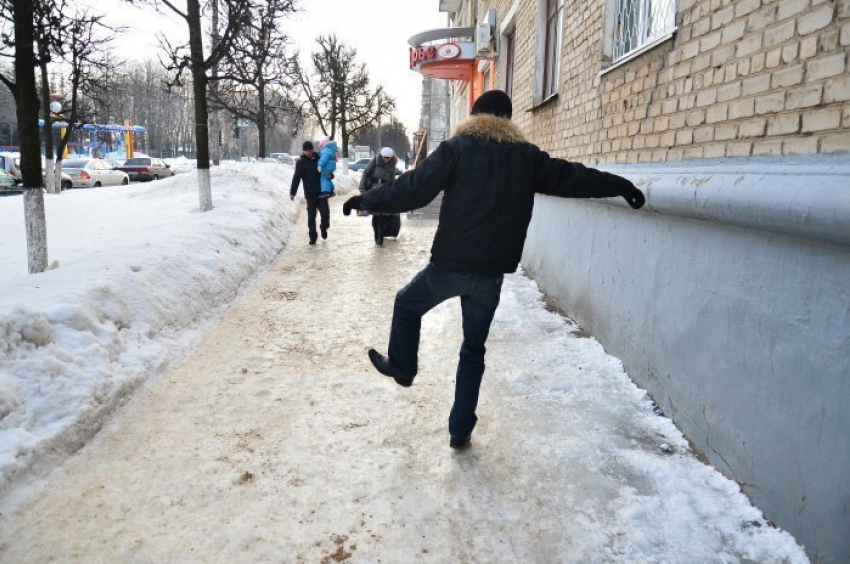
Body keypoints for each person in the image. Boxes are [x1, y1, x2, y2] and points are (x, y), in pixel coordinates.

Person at [342, 90, 645, 450]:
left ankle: (403, 369)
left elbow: (415, 188)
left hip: (449, 266)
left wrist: (367, 200)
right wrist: (620, 185)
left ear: (475, 115)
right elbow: (572, 177)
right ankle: (460, 429)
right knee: (473, 350)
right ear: (507, 119)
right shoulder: (526, 157)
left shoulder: (458, 149)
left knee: (407, 304)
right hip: (490, 276)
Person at [358, 147, 400, 246]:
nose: (386, 159)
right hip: (373, 188)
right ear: (381, 156)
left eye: (388, 158)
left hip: (384, 190)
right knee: (376, 214)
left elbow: (392, 179)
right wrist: (362, 188)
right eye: (384, 157)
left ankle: (380, 236)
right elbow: (365, 173)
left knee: (381, 214)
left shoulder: (392, 164)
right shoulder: (375, 161)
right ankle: (376, 233)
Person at [290, 141, 328, 245]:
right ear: (304, 151)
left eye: (310, 150)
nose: (308, 152)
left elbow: (328, 171)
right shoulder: (301, 163)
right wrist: (293, 192)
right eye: (306, 151)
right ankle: (313, 237)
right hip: (310, 195)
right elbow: (296, 178)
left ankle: (323, 227)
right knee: (311, 217)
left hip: (322, 193)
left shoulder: (320, 159)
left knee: (325, 215)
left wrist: (331, 176)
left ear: (312, 150)